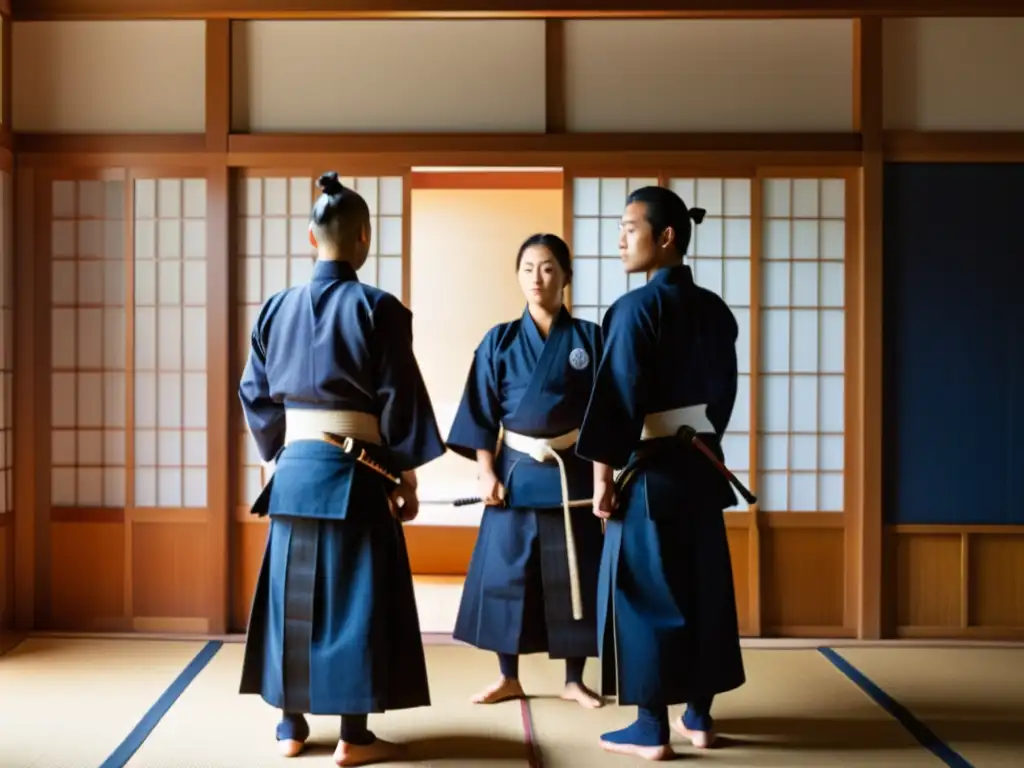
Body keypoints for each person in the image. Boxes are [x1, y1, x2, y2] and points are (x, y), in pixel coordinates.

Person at [238, 171, 446, 766]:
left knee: (291, 597)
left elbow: (253, 394)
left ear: (310, 237)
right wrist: (407, 477)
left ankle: (291, 726)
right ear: (363, 238)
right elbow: (399, 397)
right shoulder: (378, 309)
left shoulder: (274, 309)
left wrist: (276, 454)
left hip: (296, 470)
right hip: (358, 474)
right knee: (357, 599)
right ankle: (352, 735)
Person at [575, 186, 746, 761]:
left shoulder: (633, 311)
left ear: (665, 236)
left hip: (647, 477)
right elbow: (722, 400)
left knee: (642, 594)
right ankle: (700, 716)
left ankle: (651, 727)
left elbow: (616, 402)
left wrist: (602, 480)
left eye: (630, 227)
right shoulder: (716, 311)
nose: (620, 238)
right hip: (699, 470)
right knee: (702, 590)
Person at [446, 233, 605, 709]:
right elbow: (480, 411)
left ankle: (574, 678)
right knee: (505, 576)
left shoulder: (590, 339)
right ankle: (507, 675)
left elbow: (603, 416)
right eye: (529, 268)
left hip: (568, 473)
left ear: (566, 277)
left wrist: (603, 479)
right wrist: (484, 472)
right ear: (518, 276)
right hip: (514, 472)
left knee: (573, 574)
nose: (538, 278)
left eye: (549, 268)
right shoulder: (500, 339)